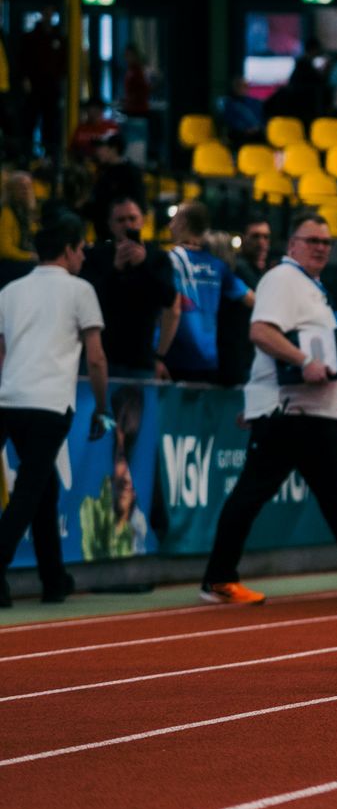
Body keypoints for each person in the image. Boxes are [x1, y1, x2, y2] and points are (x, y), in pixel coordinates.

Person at [199, 212, 337, 605]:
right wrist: (304, 362)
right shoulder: (282, 279)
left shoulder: (308, 284)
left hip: (310, 413)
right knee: (256, 494)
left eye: (327, 242)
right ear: (293, 244)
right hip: (290, 413)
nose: (321, 247)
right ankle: (218, 579)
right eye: (312, 240)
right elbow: (261, 332)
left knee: (334, 496)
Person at [0, 216, 109, 606]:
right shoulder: (81, 291)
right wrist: (102, 407)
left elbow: (0, 353)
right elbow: (95, 359)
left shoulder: (10, 290)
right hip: (50, 402)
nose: (83, 256)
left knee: (41, 489)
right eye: (81, 249)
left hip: (9, 400)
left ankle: (53, 578)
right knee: (30, 491)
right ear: (68, 249)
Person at [82, 197, 180, 380]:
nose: (127, 224)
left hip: (140, 357)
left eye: (132, 218)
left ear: (142, 220)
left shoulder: (158, 258)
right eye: (121, 220)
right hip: (103, 355)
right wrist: (116, 270)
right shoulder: (96, 256)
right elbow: (89, 299)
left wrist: (142, 266)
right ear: (110, 224)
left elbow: (168, 298)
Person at [164, 201, 255, 384]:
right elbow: (252, 299)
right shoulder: (218, 266)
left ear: (183, 223)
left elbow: (171, 312)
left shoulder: (169, 261)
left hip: (174, 359)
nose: (170, 226)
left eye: (173, 220)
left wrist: (158, 356)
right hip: (208, 361)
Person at [81, 386, 150, 560]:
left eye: (129, 457)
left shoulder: (140, 525)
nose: (126, 477)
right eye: (120, 457)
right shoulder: (91, 515)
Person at [17, 8, 66, 164]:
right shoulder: (31, 37)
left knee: (51, 124)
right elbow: (22, 61)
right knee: (29, 121)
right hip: (34, 87)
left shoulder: (59, 38)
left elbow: (63, 64)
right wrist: (25, 79)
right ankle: (27, 155)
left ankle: (49, 157)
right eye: (46, 12)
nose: (48, 15)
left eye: (51, 12)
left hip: (52, 87)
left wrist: (60, 81)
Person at [84, 135, 145, 239]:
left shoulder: (130, 173)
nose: (98, 152)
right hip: (102, 235)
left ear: (114, 149)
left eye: (102, 148)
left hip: (123, 237)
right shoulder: (102, 171)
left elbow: (138, 204)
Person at [0, 171, 38, 277]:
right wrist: (28, 256)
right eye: (21, 187)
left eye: (28, 186)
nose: (26, 190)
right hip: (10, 264)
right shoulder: (6, 213)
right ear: (11, 191)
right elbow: (4, 249)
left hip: (26, 260)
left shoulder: (28, 213)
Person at [215, 76, 266, 146]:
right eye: (240, 86)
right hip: (239, 134)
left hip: (256, 133)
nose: (244, 88)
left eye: (246, 86)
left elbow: (261, 118)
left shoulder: (255, 102)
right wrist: (245, 129)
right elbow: (230, 120)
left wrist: (257, 128)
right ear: (234, 88)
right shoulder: (228, 103)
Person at [233, 219, 274, 288]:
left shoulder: (271, 268)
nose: (261, 242)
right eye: (255, 236)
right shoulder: (235, 268)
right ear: (243, 239)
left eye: (266, 237)